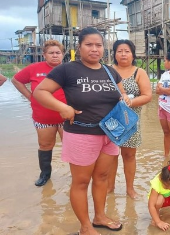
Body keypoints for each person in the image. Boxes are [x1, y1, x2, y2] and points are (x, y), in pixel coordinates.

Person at [33, 27, 127, 235]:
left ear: (104, 48)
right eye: (89, 45)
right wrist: (62, 108)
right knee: (81, 181)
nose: (94, 49)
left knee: (102, 177)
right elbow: (40, 92)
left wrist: (125, 99)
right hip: (81, 134)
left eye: (99, 45)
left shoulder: (110, 71)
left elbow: (122, 95)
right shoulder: (67, 70)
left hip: (109, 134)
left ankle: (100, 216)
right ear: (79, 47)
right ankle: (85, 227)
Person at [11, 39, 66, 186]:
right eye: (51, 53)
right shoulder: (34, 68)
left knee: (71, 145)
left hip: (66, 116)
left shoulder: (69, 69)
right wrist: (30, 96)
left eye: (58, 53)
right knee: (45, 145)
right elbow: (16, 80)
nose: (55, 55)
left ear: (63, 54)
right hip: (43, 117)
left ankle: (76, 174)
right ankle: (45, 175)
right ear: (44, 55)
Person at [107, 39, 152, 197]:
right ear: (114, 54)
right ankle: (109, 187)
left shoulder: (139, 72)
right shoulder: (107, 70)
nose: (123, 54)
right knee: (110, 155)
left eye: (127, 51)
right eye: (119, 51)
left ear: (133, 54)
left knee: (129, 155)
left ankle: (130, 189)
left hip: (131, 121)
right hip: (110, 121)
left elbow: (147, 96)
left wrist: (130, 102)